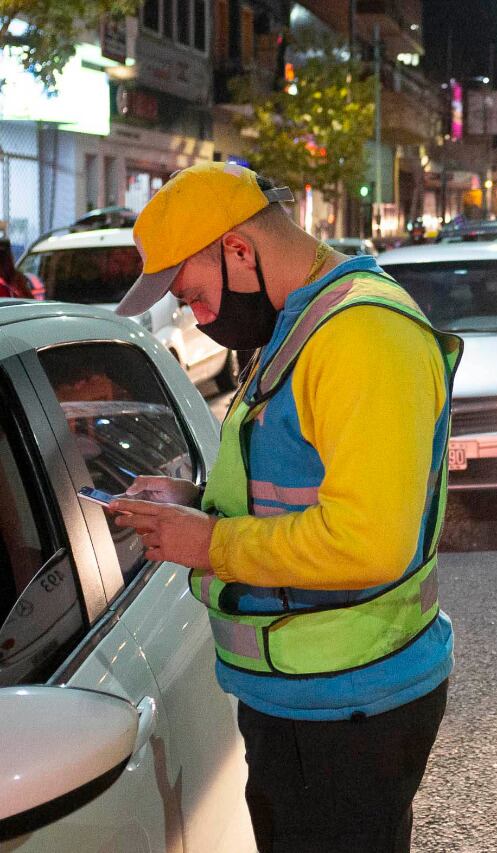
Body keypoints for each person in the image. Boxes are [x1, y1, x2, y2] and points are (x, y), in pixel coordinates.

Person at [107, 162, 462, 853]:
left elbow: (369, 542)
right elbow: (290, 482)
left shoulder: (362, 335)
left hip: (352, 706)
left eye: (195, 295)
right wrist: (191, 503)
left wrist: (210, 544)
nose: (196, 317)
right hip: (305, 698)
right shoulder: (298, 322)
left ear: (239, 250)